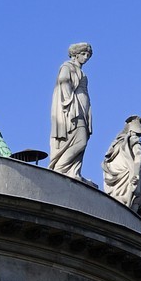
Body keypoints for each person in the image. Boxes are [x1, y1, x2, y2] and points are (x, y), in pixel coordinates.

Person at [48, 42, 93, 179]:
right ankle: (60, 168)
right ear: (75, 55)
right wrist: (70, 103)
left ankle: (74, 171)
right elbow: (63, 82)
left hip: (83, 110)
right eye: (83, 54)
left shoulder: (83, 73)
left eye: (88, 55)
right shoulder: (67, 67)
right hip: (73, 109)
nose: (86, 57)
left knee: (81, 141)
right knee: (80, 141)